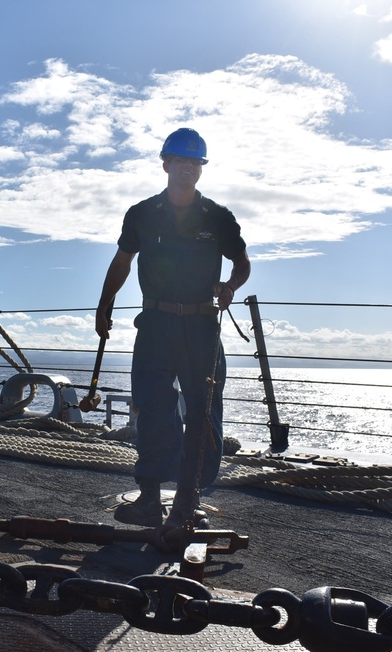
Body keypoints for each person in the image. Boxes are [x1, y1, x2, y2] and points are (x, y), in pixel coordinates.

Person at [95, 128, 250, 528]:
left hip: (201, 326)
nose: (188, 168)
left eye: (195, 162)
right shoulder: (142, 213)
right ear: (165, 164)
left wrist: (230, 286)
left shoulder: (218, 216)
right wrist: (104, 304)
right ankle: (149, 498)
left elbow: (242, 262)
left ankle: (188, 500)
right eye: (180, 160)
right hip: (156, 325)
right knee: (152, 407)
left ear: (201, 169)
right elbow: (122, 263)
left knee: (202, 412)